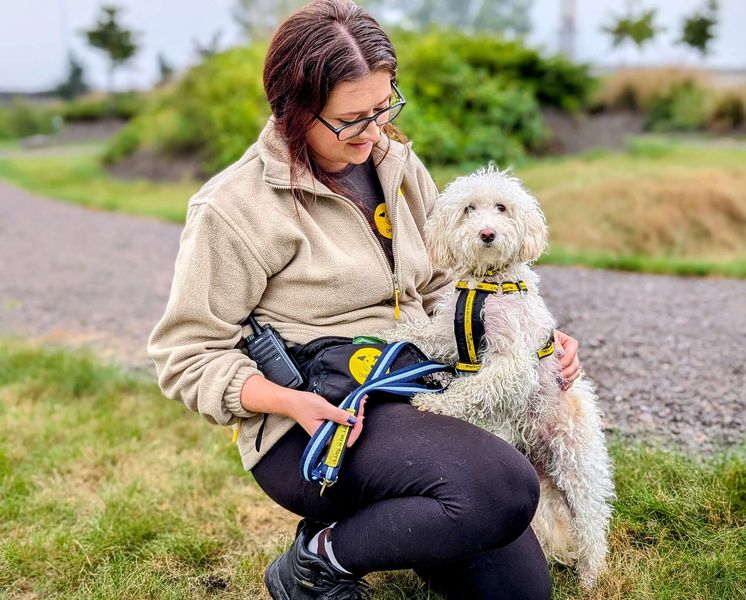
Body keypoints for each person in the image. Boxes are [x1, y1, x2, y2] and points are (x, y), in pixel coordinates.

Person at [147, 1, 582, 598]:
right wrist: (288, 401)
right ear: (295, 111)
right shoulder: (231, 208)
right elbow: (185, 354)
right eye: (353, 119)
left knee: (518, 589)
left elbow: (446, 284)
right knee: (502, 488)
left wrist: (529, 339)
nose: (375, 133)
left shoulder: (396, 164)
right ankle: (319, 560)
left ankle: (407, 510)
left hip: (416, 389)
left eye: (383, 108)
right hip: (315, 422)